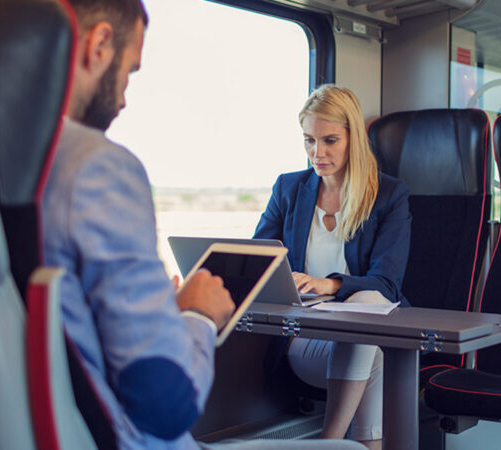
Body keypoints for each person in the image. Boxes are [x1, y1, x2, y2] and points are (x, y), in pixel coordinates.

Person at [42, 1, 364, 449]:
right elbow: (166, 404)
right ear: (98, 45)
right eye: (130, 73)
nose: (123, 98)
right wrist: (196, 313)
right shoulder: (97, 170)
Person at [253, 85, 411, 450]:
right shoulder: (288, 189)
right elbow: (258, 262)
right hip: (305, 340)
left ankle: (330, 442)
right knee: (374, 353)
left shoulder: (387, 195)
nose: (317, 153)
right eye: (309, 140)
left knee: (369, 307)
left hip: (366, 330)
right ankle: (334, 443)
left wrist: (330, 285)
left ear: (353, 137)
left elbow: (387, 283)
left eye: (329, 140)